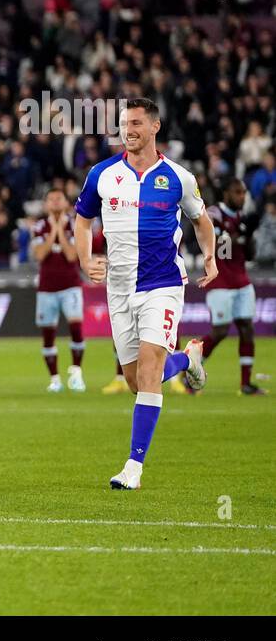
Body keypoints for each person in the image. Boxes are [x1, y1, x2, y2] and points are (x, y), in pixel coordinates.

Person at [74, 98, 217, 490]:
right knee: (138, 381)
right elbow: (82, 221)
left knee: (151, 369)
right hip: (118, 288)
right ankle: (187, 359)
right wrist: (86, 260)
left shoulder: (178, 177)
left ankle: (133, 468)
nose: (128, 130)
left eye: (136, 123)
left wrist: (210, 257)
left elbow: (201, 221)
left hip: (163, 285)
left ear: (155, 127)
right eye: (124, 123)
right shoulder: (101, 174)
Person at [200, 178, 265, 395]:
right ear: (226, 193)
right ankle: (189, 371)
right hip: (219, 281)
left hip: (242, 281)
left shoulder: (240, 218)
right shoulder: (213, 214)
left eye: (244, 193)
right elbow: (220, 248)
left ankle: (246, 384)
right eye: (237, 192)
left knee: (247, 329)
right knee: (219, 332)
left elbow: (250, 254)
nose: (242, 197)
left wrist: (248, 236)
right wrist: (240, 233)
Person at [31, 187, 86, 392]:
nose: (54, 202)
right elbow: (40, 255)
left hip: (70, 285)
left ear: (66, 203)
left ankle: (76, 374)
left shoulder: (75, 224)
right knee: (48, 333)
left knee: (76, 329)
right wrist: (53, 230)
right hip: (46, 287)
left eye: (58, 198)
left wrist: (60, 231)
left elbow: (72, 255)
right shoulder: (39, 226)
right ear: (46, 204)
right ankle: (54, 379)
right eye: (51, 199)